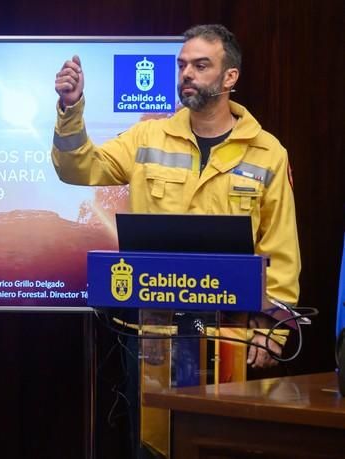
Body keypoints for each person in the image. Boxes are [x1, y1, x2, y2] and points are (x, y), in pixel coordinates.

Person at [52, 24, 300, 368]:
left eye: (200, 66)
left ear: (229, 77)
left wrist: (274, 327)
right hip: (154, 334)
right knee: (153, 422)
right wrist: (71, 107)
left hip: (229, 335)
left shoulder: (267, 152)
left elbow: (281, 247)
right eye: (182, 65)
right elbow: (76, 168)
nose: (186, 74)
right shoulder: (147, 137)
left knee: (220, 423)